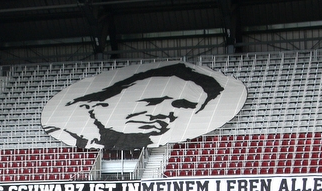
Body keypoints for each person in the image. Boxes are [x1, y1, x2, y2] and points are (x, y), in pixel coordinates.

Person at [43, 62, 227, 150]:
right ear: (109, 99)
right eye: (154, 101)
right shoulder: (64, 128)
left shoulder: (149, 140)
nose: (166, 114)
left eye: (181, 107)